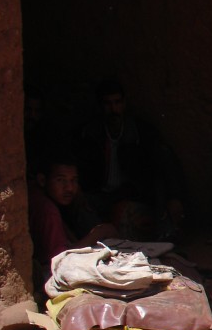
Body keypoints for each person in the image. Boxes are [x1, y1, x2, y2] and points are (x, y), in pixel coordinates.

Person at [79, 80, 186, 240]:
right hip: (100, 195)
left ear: (124, 103)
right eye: (108, 104)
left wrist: (173, 197)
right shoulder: (90, 134)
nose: (113, 109)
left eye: (117, 102)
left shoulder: (139, 132)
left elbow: (162, 165)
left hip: (129, 194)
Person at [28, 152, 117, 277]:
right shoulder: (47, 210)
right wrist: (97, 234)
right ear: (42, 180)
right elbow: (60, 260)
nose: (69, 188)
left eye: (73, 180)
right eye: (61, 180)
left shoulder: (36, 194)